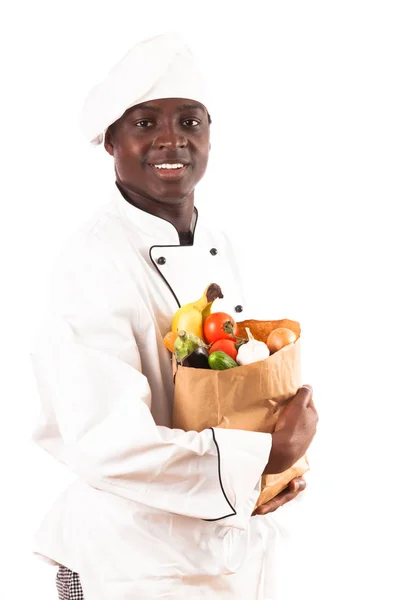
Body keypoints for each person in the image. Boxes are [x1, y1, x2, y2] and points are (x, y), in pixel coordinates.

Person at [31, 33, 318, 599]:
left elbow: (218, 386)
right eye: (144, 124)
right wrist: (267, 454)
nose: (172, 140)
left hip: (214, 550)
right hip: (127, 557)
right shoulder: (94, 260)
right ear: (110, 141)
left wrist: (265, 479)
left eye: (190, 122)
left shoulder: (217, 242)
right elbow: (107, 442)